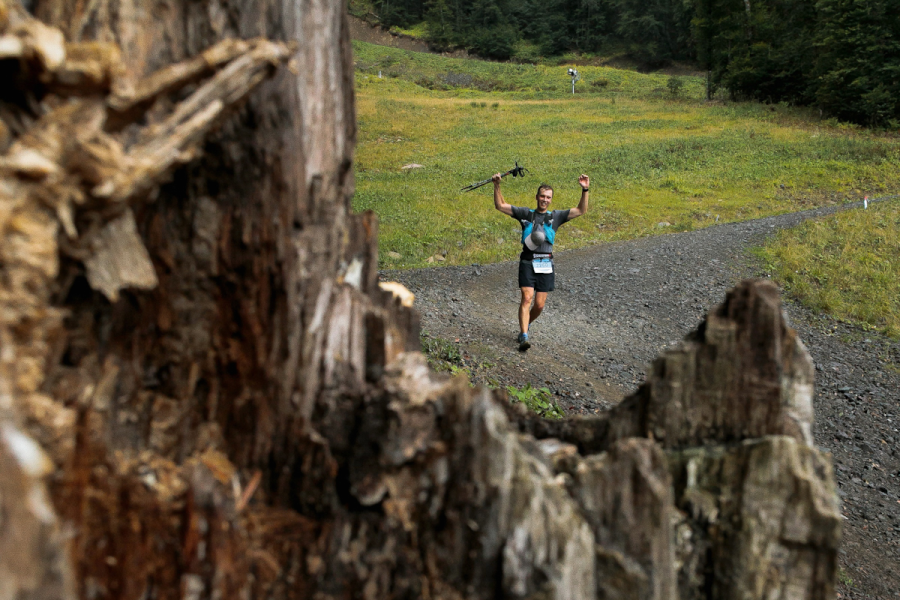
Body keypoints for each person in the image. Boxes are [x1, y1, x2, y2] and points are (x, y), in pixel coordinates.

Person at [492, 172, 590, 351]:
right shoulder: (525, 214)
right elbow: (500, 205)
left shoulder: (556, 217)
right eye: (542, 196)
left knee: (539, 305)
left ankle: (526, 323)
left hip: (546, 264)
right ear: (537, 197)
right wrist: (497, 185)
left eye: (548, 197)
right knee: (526, 297)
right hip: (527, 262)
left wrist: (585, 190)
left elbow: (581, 210)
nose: (545, 200)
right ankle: (524, 336)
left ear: (551, 200)